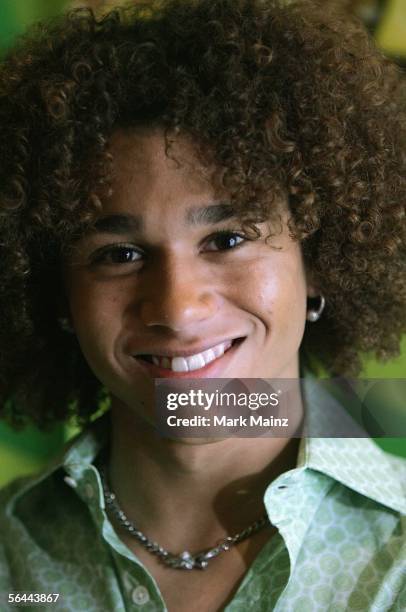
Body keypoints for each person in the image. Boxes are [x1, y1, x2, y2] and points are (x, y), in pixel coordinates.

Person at [0, 1, 405, 610]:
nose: (178, 309)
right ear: (58, 294)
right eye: (118, 254)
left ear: (317, 260)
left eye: (227, 240)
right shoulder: (12, 561)